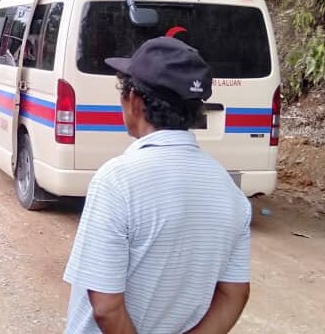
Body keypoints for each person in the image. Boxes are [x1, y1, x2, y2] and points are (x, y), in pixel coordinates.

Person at [64, 37, 251, 334]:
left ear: (135, 102)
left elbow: (106, 306)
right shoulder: (228, 190)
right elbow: (234, 293)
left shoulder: (117, 180)